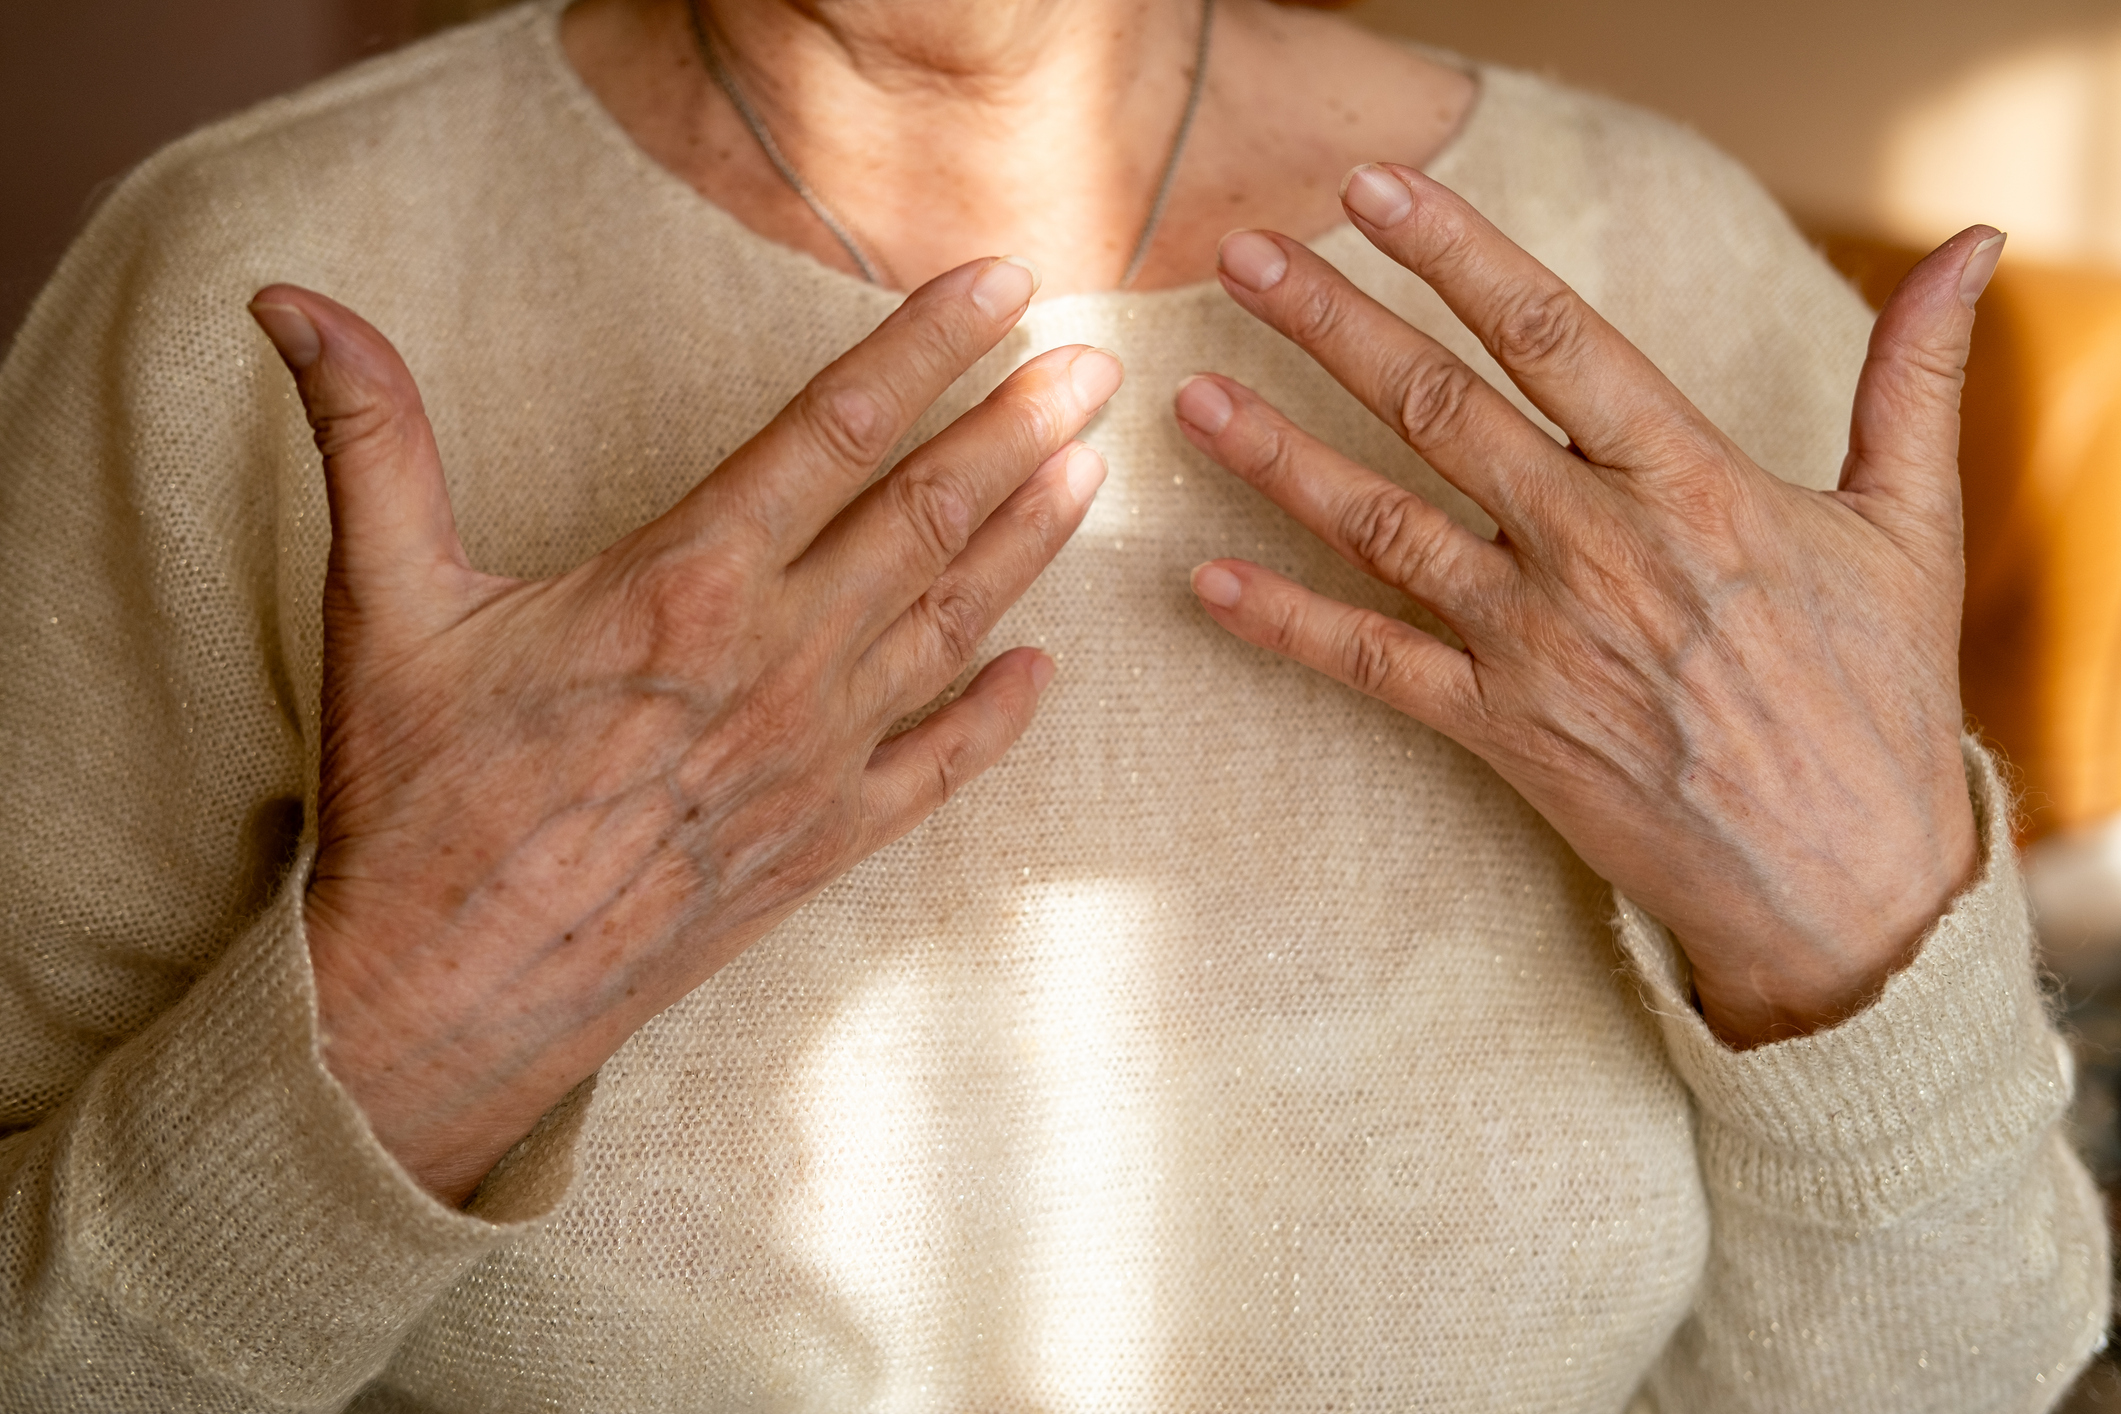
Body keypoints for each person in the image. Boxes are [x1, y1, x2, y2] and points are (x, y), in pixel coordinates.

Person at [0, 0, 2105, 1407]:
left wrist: (1846, 939)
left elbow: (1960, 1367)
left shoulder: (1675, 258)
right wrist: (414, 1019)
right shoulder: (245, 277)